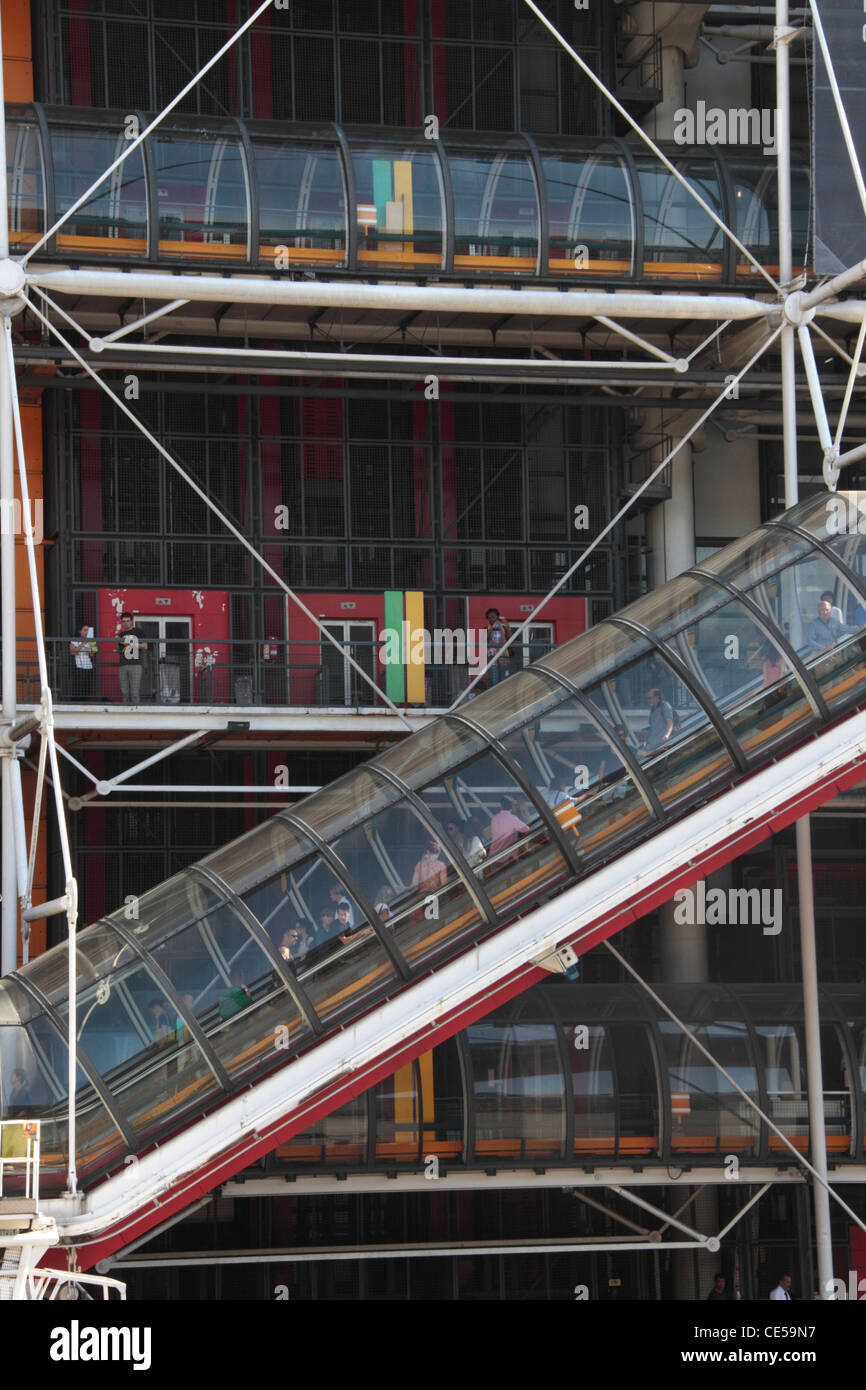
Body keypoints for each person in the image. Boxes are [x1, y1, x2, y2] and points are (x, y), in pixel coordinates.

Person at [115, 612, 148, 703]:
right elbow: (118, 650)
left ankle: (136, 713)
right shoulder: (121, 634)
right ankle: (125, 713)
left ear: (132, 621)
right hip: (123, 664)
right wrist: (116, 641)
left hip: (136, 664)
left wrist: (128, 642)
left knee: (135, 692)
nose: (125, 623)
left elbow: (145, 646)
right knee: (124, 692)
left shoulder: (139, 631)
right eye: (123, 621)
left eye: (127, 621)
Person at [638, 687, 675, 751]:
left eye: (649, 698)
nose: (648, 700)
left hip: (660, 743)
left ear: (657, 697)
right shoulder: (653, 709)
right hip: (652, 743)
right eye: (647, 699)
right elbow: (654, 726)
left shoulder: (665, 706)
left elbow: (670, 723)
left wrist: (667, 735)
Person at [69, 624, 96, 701]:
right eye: (84, 630)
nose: (86, 632)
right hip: (79, 666)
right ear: (79, 631)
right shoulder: (74, 640)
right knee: (78, 687)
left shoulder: (90, 641)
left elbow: (92, 655)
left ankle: (85, 701)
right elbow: (72, 652)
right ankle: (76, 702)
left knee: (87, 687)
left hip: (89, 666)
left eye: (87, 630)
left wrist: (93, 646)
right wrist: (83, 643)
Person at [485, 608, 512, 685]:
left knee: (505, 679)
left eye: (493, 617)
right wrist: (492, 628)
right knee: (494, 679)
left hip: (503, 656)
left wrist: (506, 625)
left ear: (497, 617)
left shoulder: (503, 627)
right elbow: (484, 638)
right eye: (489, 617)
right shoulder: (487, 628)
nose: (491, 619)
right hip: (492, 656)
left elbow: (510, 638)